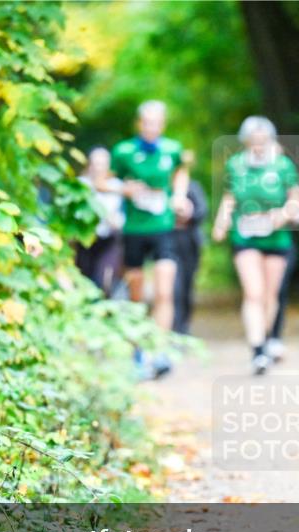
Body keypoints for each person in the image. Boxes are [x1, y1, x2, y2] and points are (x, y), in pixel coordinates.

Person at [213, 116, 299, 375]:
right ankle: (256, 350)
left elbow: (297, 201)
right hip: (245, 237)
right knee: (253, 293)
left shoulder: (282, 166)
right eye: (253, 141)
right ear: (245, 142)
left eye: (262, 141)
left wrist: (283, 215)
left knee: (269, 296)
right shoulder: (236, 165)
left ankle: (266, 342)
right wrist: (221, 222)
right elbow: (229, 197)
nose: (258, 146)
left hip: (276, 238)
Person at [111, 100, 191, 377]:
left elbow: (181, 171)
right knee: (137, 296)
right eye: (146, 123)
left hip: (163, 228)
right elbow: (103, 181)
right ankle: (138, 352)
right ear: (139, 124)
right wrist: (124, 189)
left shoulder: (172, 149)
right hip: (134, 230)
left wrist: (179, 195)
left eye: (156, 123)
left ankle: (160, 350)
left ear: (162, 125)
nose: (151, 128)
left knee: (164, 290)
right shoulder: (123, 152)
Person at [77, 147, 125, 297]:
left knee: (105, 279)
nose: (99, 167)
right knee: (84, 279)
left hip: (109, 239)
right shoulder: (80, 185)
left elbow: (122, 214)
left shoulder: (117, 186)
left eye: (102, 164)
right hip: (85, 240)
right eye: (96, 163)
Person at [171, 150, 208, 335]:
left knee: (186, 285)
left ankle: (184, 326)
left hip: (189, 242)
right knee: (173, 286)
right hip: (169, 241)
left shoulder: (193, 187)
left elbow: (202, 212)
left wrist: (189, 214)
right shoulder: (164, 188)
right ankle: (174, 326)